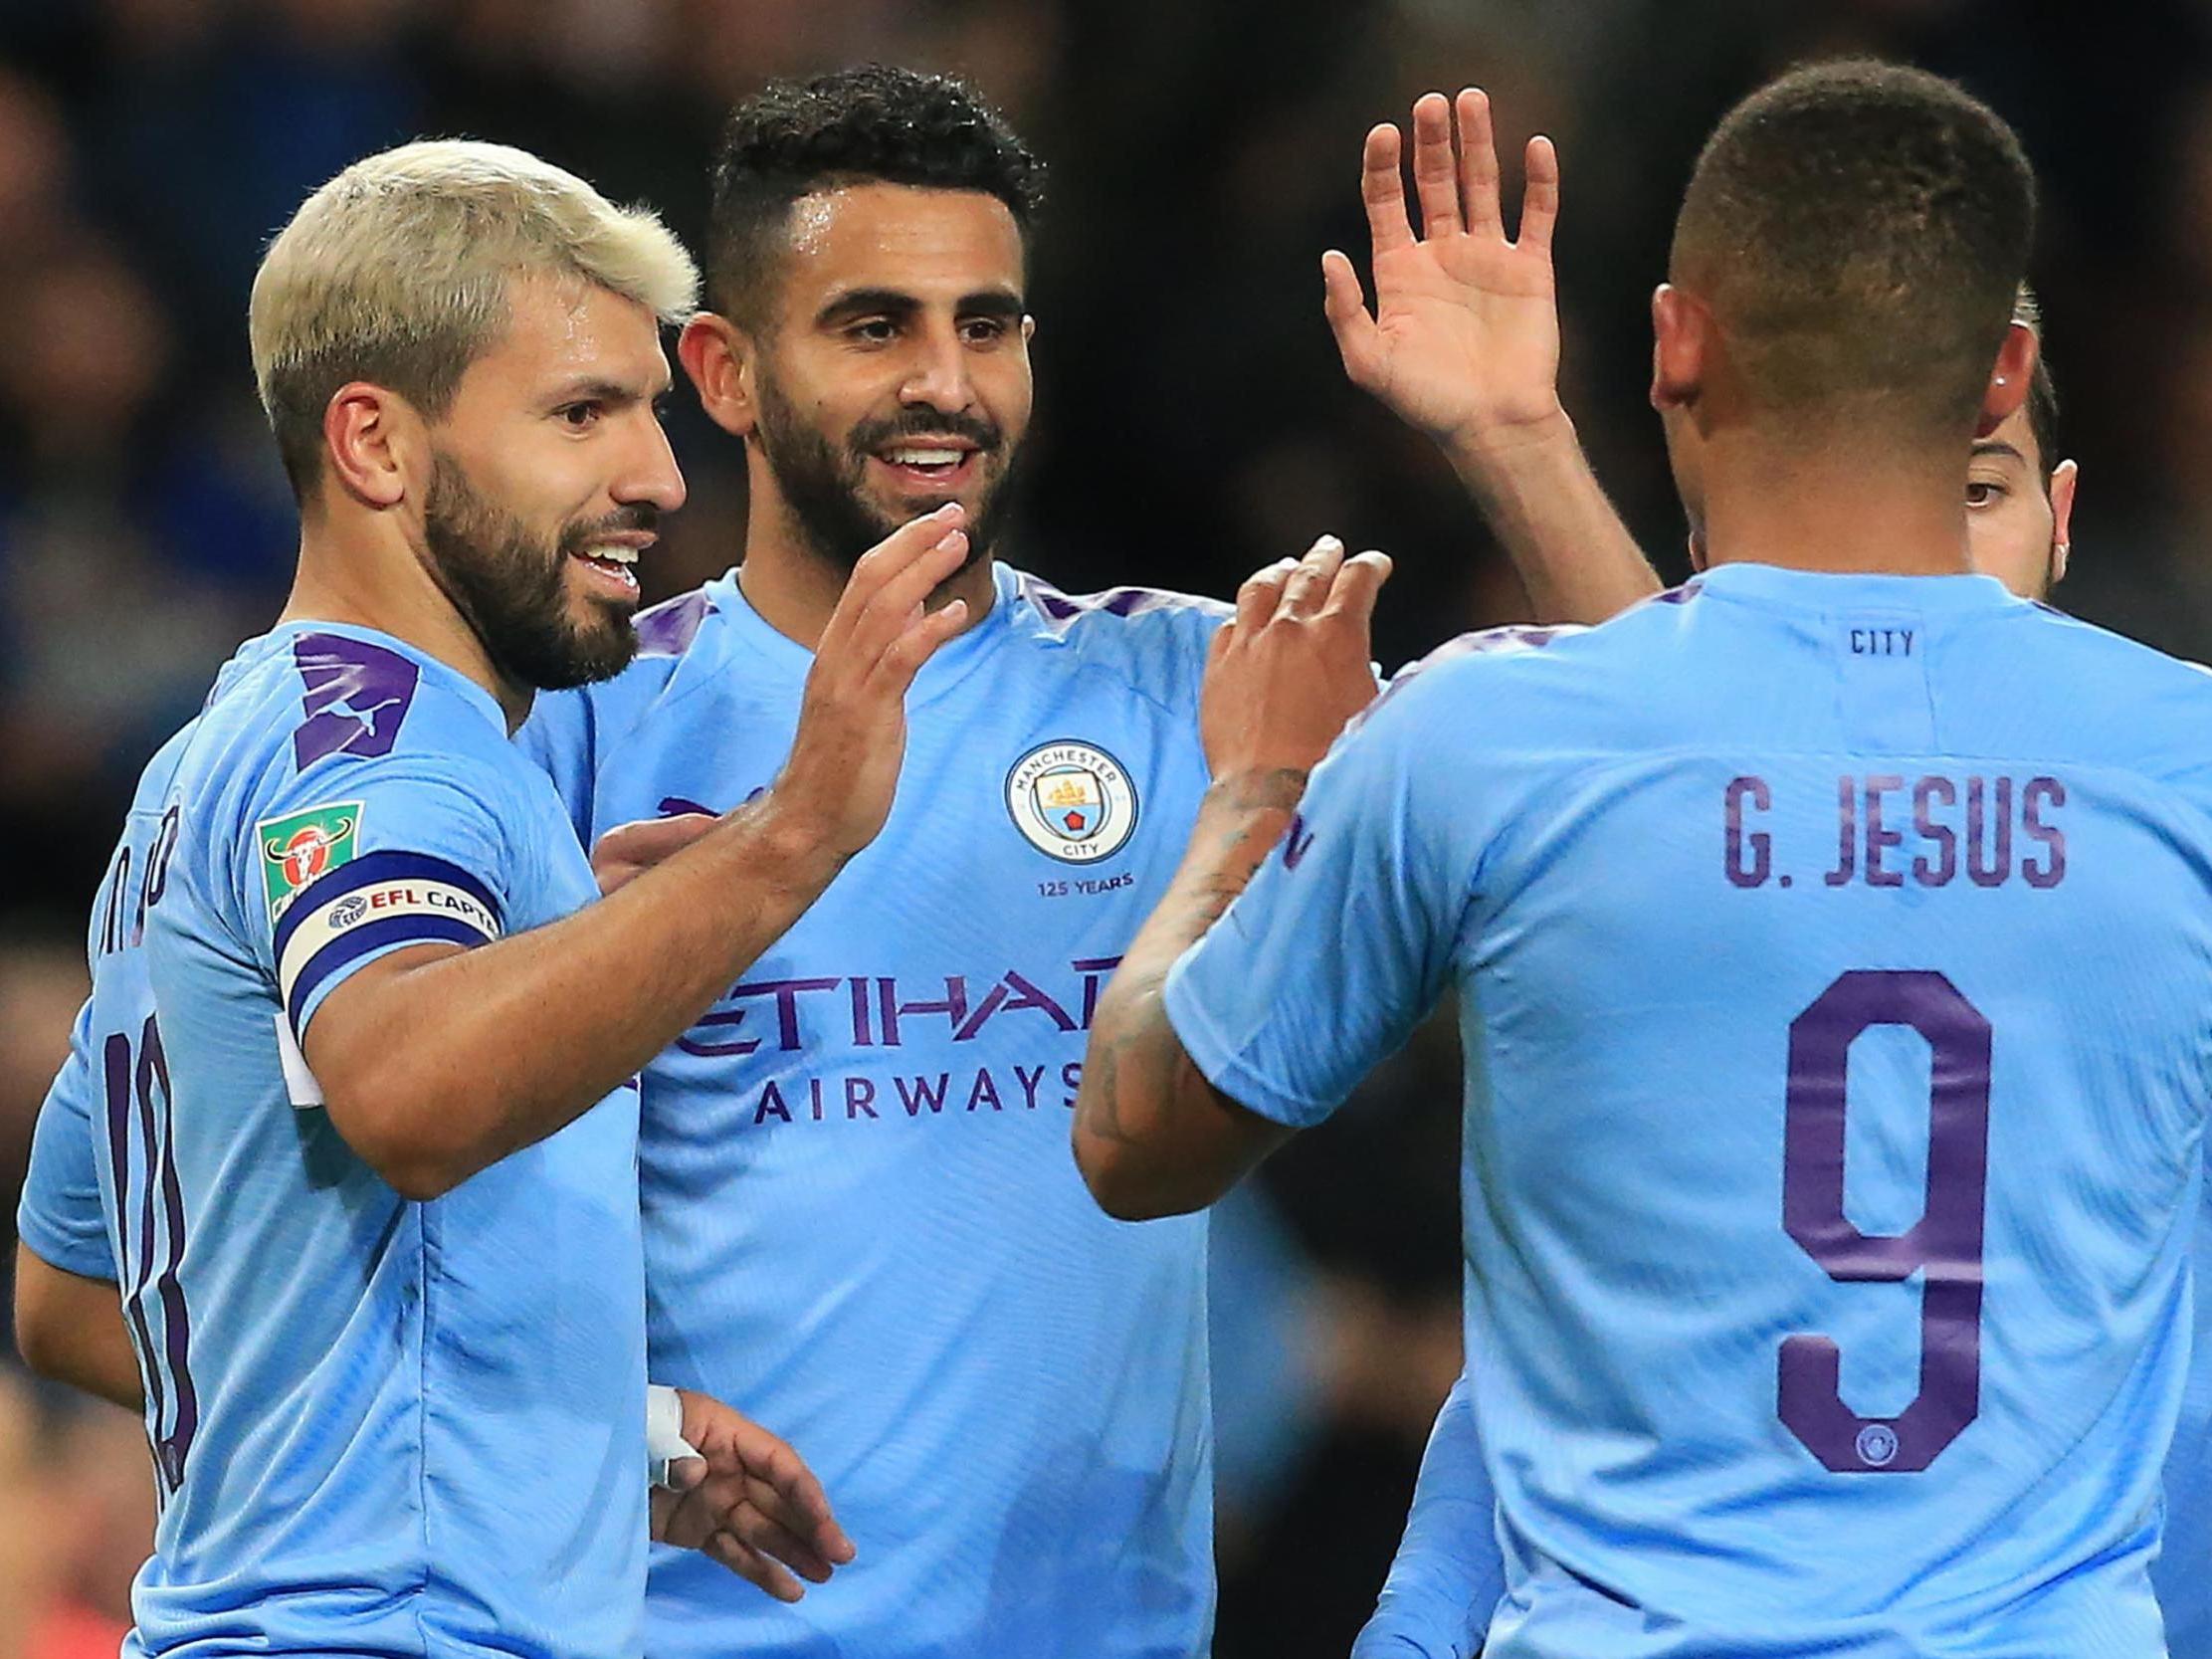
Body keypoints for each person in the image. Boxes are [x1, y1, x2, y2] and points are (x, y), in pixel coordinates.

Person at [1075, 59, 2212, 1654]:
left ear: (1674, 344)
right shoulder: (2187, 763)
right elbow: (1761, 777)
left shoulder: (1482, 739)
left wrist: (1257, 788)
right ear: (2003, 370)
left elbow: (1138, 1142)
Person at [9, 138, 980, 1658]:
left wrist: (587, 1426)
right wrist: (793, 835)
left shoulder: (210, 770)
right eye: (582, 412)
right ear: (378, 447)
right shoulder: (392, 746)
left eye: (654, 411)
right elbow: (411, 1088)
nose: (660, 479)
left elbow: (75, 1297)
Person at [518, 64, 1339, 1658]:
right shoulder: (580, 728)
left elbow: (1629, 806)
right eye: (875, 325)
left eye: (990, 324)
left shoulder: (1198, 690)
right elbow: (392, 1214)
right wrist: (618, 1431)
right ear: (727, 372)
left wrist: (1509, 433)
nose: (947, 383)